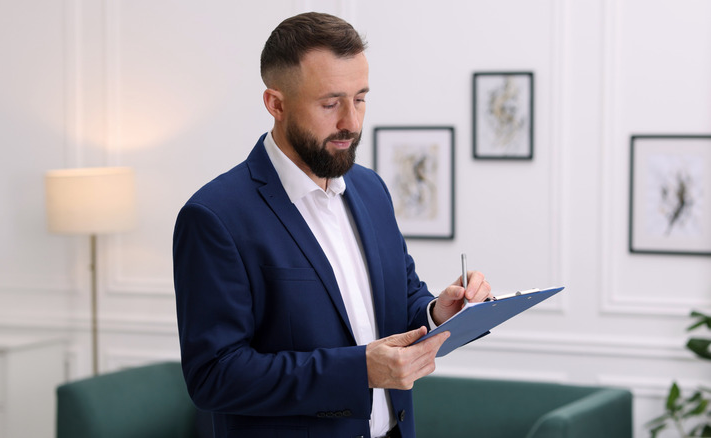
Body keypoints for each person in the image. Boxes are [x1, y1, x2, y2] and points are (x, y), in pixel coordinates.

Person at [173, 12, 491, 438]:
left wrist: (438, 313)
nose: (352, 123)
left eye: (360, 98)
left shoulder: (372, 190)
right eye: (330, 104)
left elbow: (401, 302)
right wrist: (358, 369)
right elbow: (214, 375)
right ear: (276, 103)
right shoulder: (214, 217)